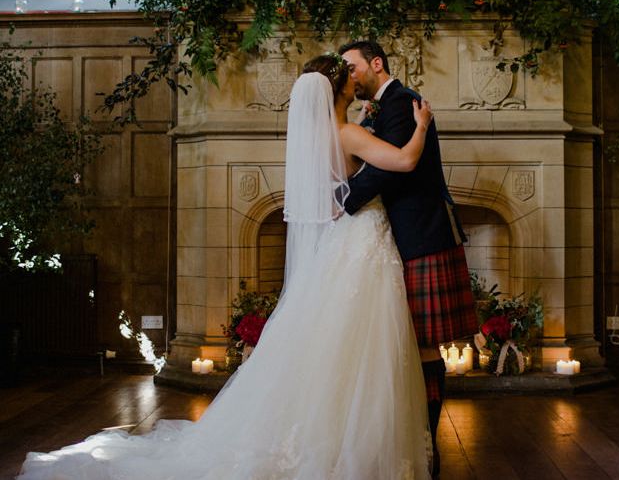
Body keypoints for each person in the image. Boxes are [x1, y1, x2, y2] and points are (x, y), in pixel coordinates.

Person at [18, 54, 436, 480]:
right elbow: (403, 162)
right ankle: (355, 443)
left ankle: (330, 437)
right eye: (346, 75)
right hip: (363, 239)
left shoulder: (324, 134)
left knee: (337, 340)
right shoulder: (345, 133)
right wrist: (421, 125)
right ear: (336, 89)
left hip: (345, 241)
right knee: (362, 341)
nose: (354, 79)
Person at [340, 40, 479, 478]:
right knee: (406, 344)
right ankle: (413, 437)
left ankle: (427, 441)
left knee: (422, 345)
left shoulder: (402, 103)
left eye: (352, 67)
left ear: (376, 64)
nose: (349, 75)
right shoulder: (383, 107)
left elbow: (386, 169)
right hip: (401, 237)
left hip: (421, 237)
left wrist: (341, 201)